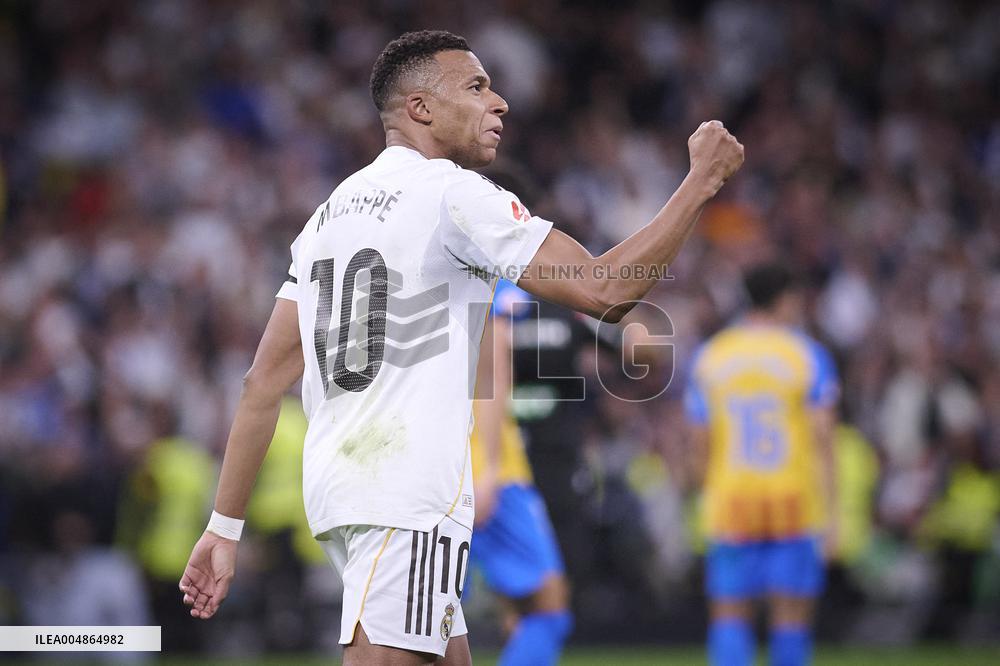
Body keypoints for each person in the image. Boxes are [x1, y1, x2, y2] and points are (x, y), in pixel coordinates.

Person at [179, 29, 743, 666]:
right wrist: (699, 182)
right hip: (411, 492)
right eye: (477, 87)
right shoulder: (454, 194)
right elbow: (607, 289)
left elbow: (261, 382)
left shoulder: (326, 217)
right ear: (420, 108)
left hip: (341, 489)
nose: (499, 102)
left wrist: (223, 527)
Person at [684, 263, 839, 666]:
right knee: (791, 614)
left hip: (732, 500)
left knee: (731, 611)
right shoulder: (807, 355)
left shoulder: (712, 355)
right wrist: (833, 513)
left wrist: (701, 493)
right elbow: (823, 437)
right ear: (785, 299)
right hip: (793, 499)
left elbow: (699, 440)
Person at [470, 278, 573, 665]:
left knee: (430, 615)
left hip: (434, 466)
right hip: (489, 468)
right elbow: (493, 370)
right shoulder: (485, 277)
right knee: (548, 601)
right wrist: (491, 468)